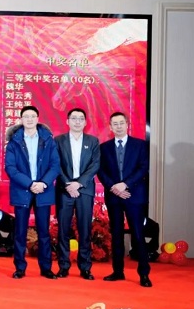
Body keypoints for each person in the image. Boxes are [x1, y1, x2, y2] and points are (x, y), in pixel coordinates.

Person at [5, 105, 60, 280]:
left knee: (44, 232)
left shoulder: (48, 140)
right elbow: (10, 168)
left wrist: (43, 183)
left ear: (38, 119)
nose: (29, 119)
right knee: (20, 232)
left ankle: (46, 268)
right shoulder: (14, 141)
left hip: (43, 190)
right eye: (26, 116)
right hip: (22, 190)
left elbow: (55, 165)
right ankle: (20, 268)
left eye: (33, 116)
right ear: (21, 119)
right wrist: (30, 184)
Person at [97, 112, 152, 287]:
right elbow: (101, 170)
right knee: (116, 235)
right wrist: (114, 187)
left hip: (134, 196)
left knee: (138, 234)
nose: (119, 126)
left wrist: (125, 185)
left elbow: (143, 168)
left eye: (121, 123)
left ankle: (144, 274)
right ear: (110, 127)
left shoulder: (140, 145)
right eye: (115, 123)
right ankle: (118, 271)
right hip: (114, 196)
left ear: (127, 124)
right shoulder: (104, 147)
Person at [54, 108, 100, 280]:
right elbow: (56, 164)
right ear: (67, 121)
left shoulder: (93, 141)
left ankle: (85, 267)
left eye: (81, 118)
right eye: (74, 118)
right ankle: (63, 266)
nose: (77, 121)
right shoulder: (58, 140)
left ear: (85, 122)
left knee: (84, 229)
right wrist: (68, 184)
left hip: (84, 189)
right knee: (63, 230)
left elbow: (95, 164)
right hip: (64, 189)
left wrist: (79, 183)